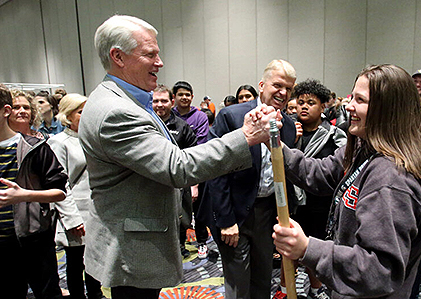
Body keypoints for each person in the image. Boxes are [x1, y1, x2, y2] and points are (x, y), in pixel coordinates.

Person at [78, 15, 280, 298]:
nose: (159, 62)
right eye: (150, 54)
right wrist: (245, 137)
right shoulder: (116, 111)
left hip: (137, 239)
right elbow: (177, 166)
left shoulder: (127, 100)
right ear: (118, 57)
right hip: (131, 247)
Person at [273, 64, 421, 298]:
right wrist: (276, 146)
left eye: (360, 100)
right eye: (352, 97)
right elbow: (321, 172)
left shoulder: (392, 180)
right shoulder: (366, 147)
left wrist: (308, 249)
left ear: (387, 110)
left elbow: (379, 270)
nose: (348, 105)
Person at [0, 77, 67, 298]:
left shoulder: (34, 148)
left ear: (5, 110)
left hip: (33, 242)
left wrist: (23, 196)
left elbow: (60, 192)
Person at [202, 59, 297, 299]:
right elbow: (216, 169)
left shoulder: (286, 125)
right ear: (262, 85)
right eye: (278, 85)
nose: (283, 93)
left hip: (267, 214)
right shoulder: (231, 116)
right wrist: (225, 220)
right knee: (238, 285)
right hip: (235, 212)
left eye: (289, 88)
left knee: (263, 280)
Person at [278, 78, 347, 299]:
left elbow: (343, 168)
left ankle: (316, 289)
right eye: (300, 102)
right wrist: (292, 139)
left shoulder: (335, 134)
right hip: (292, 202)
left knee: (313, 250)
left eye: (311, 102)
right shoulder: (287, 130)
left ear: (323, 106)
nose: (304, 107)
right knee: (288, 250)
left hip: (320, 203)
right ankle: (283, 290)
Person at [48, 93, 104, 299]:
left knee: (95, 257)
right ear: (67, 116)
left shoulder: (93, 138)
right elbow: (59, 184)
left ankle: (95, 293)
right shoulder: (58, 142)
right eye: (81, 112)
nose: (86, 115)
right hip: (75, 211)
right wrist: (71, 219)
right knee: (75, 260)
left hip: (96, 208)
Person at [151, 84, 198, 258]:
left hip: (179, 181)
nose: (159, 105)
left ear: (171, 102)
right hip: (153, 181)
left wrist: (194, 185)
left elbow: (193, 155)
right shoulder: (144, 122)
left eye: (164, 100)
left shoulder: (182, 126)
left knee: (182, 217)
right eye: (155, 101)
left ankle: (180, 246)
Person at [171, 81, 211, 257]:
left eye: (187, 94)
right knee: (178, 210)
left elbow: (201, 143)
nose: (184, 97)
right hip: (173, 169)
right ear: (174, 97)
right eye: (180, 94)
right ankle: (179, 245)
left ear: (192, 97)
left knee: (198, 207)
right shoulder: (168, 116)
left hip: (196, 167)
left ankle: (202, 241)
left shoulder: (200, 117)